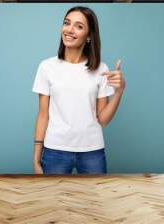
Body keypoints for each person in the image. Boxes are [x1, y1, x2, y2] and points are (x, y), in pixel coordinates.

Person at [32, 6, 126, 174]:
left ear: (89, 36)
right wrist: (36, 155)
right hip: (55, 150)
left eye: (79, 26)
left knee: (93, 200)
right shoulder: (46, 67)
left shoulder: (100, 69)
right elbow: (43, 114)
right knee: (53, 199)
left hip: (92, 152)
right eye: (67, 23)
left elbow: (103, 119)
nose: (69, 29)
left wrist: (119, 91)